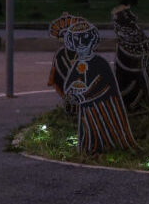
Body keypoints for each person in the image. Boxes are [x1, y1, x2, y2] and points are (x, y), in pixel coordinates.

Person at [56, 16, 137, 154]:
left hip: (104, 107)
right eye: (77, 39)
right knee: (88, 131)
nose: (81, 42)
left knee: (105, 129)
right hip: (87, 108)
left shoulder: (100, 63)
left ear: (93, 39)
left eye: (85, 37)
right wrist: (71, 94)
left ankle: (108, 148)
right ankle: (88, 149)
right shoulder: (77, 63)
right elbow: (70, 83)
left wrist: (83, 95)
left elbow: (102, 84)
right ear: (71, 42)